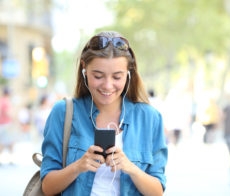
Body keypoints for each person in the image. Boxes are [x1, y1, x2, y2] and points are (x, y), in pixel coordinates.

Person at [40, 31, 168, 196]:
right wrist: (79, 166)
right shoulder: (63, 112)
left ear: (128, 74)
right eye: (98, 76)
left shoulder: (150, 118)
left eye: (117, 77)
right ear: (84, 69)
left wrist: (130, 168)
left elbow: (157, 191)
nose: (107, 86)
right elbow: (48, 187)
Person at [0, 87, 15, 164]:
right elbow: (7, 112)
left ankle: (11, 159)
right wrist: (14, 118)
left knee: (5, 142)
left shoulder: (2, 100)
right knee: (8, 142)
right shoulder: (6, 101)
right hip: (6, 124)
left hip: (3, 124)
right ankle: (11, 160)